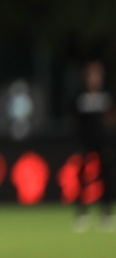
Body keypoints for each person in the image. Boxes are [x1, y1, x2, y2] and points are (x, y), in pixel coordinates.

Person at [73, 60, 114, 231]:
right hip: (85, 144)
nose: (95, 79)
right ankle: (81, 214)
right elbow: (75, 121)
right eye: (92, 75)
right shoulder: (81, 97)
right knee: (82, 178)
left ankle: (106, 214)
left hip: (104, 144)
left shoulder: (107, 97)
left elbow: (111, 120)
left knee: (107, 179)